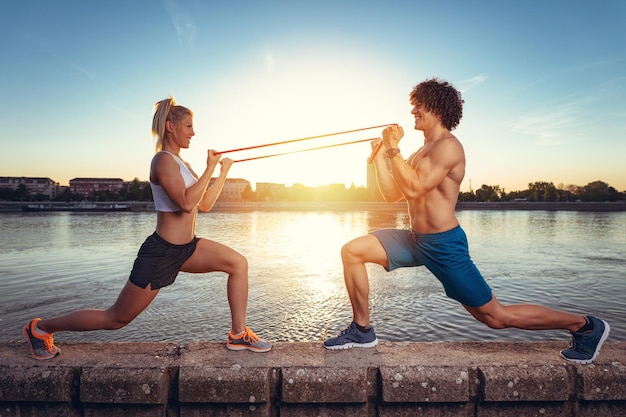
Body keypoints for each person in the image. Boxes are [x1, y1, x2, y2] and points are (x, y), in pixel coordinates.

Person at [323, 78, 610, 364]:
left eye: (417, 106)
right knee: (353, 251)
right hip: (415, 240)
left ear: (435, 107)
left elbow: (414, 188)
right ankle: (362, 331)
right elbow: (391, 194)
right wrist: (380, 157)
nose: (413, 113)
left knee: (495, 317)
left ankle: (584, 325)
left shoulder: (449, 148)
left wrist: (394, 149)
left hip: (444, 244)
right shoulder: (417, 153)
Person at [23, 97, 272, 360]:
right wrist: (210, 168)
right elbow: (187, 203)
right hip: (161, 253)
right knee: (116, 318)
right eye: (188, 126)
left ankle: (238, 334)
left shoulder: (183, 164)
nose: (193, 132)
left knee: (238, 264)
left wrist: (221, 172)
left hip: (187, 248)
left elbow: (205, 204)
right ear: (170, 126)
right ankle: (40, 328)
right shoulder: (162, 161)